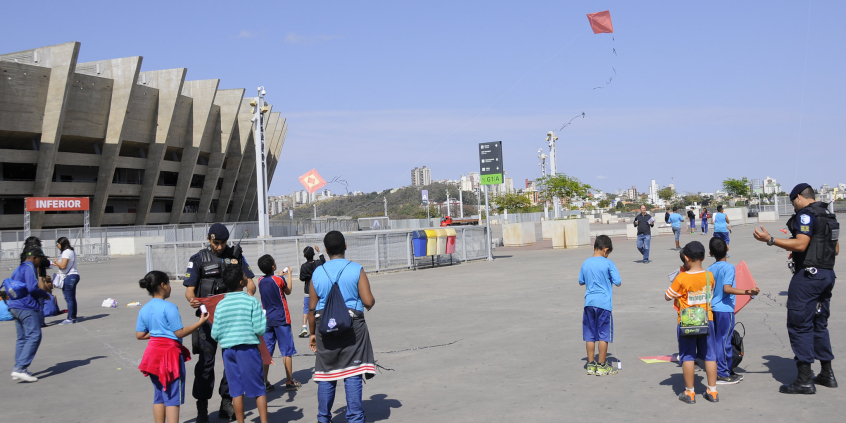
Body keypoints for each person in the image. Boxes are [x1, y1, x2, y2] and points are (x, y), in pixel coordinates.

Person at [753, 183, 840, 394]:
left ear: (799, 197)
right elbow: (835, 249)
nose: (794, 206)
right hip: (827, 274)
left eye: (793, 202)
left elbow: (801, 244)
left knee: (799, 324)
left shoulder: (805, 215)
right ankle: (827, 373)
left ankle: (804, 380)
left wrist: (771, 240)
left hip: (808, 278)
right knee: (820, 323)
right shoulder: (829, 215)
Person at [183, 223, 256, 422]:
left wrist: (249, 294)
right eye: (215, 243)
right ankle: (202, 408)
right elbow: (189, 289)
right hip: (207, 322)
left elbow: (250, 282)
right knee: (205, 364)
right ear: (209, 240)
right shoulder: (198, 259)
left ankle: (227, 402)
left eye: (222, 243)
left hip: (232, 321)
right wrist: (192, 300)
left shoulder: (236, 256)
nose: (219, 246)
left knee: (231, 363)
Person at [309, 231, 376, 423]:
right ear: (345, 246)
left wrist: (312, 334)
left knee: (326, 374)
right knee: (353, 373)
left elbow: (312, 308)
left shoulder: (318, 272)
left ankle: (323, 418)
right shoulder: (356, 269)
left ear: (326, 250)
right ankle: (355, 418)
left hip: (324, 326)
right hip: (352, 326)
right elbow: (368, 301)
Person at [136, 271, 208, 423]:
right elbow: (180, 333)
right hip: (169, 356)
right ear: (162, 285)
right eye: (168, 284)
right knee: (172, 398)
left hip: (152, 355)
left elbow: (140, 335)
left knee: (159, 395)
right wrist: (199, 323)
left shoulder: (144, 308)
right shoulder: (169, 307)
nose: (170, 287)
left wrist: (158, 332)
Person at [211, 265, 268, 423]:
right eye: (245, 276)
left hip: (228, 351)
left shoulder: (221, 305)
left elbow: (215, 333)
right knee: (258, 389)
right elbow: (260, 329)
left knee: (235, 391)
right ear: (242, 283)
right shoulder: (251, 302)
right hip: (248, 350)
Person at [665, 241, 719, 404]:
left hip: (687, 322)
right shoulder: (709, 276)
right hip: (706, 319)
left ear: (686, 258)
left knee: (688, 356)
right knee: (710, 356)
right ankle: (712, 391)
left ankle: (690, 393)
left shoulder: (681, 278)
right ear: (703, 256)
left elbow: (668, 295)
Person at [708, 237, 759, 385]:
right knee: (724, 341)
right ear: (727, 249)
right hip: (725, 310)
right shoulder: (729, 268)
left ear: (710, 253)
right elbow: (727, 288)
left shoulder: (710, 269)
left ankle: (721, 369)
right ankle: (723, 373)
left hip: (713, 309)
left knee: (717, 340)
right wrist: (748, 291)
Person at [5, 245, 52, 382]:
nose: (40, 262)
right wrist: (45, 294)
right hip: (26, 307)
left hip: (14, 306)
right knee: (35, 335)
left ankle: (17, 368)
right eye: (40, 259)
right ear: (34, 258)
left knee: (22, 338)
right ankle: (20, 368)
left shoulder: (19, 268)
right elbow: (32, 288)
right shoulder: (30, 267)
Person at [256, 254, 300, 392]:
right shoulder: (279, 279)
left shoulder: (260, 280)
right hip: (281, 319)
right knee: (286, 350)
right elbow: (288, 290)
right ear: (273, 266)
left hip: (267, 320)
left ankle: (264, 382)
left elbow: (273, 280)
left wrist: (279, 275)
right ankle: (289, 380)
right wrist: (288, 275)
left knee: (267, 352)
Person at [579, 235, 622, 376]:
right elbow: (618, 281)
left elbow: (581, 281)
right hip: (603, 304)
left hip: (589, 303)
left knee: (590, 335)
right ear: (606, 250)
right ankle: (602, 365)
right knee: (604, 335)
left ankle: (591, 364)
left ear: (594, 247)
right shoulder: (608, 263)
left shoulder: (585, 263)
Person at [298, 246, 325, 338]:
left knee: (306, 308)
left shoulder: (304, 266)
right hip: (318, 289)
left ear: (304, 256)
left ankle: (304, 327)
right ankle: (321, 324)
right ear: (314, 254)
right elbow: (323, 260)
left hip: (308, 290)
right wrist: (319, 251)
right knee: (319, 307)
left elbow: (301, 278)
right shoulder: (318, 263)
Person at [52, 237, 80, 325]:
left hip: (69, 276)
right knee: (72, 298)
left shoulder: (66, 252)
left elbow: (63, 266)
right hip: (74, 275)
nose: (58, 246)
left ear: (62, 244)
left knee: (69, 298)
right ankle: (73, 317)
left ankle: (70, 318)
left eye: (58, 245)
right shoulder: (72, 251)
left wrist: (56, 262)